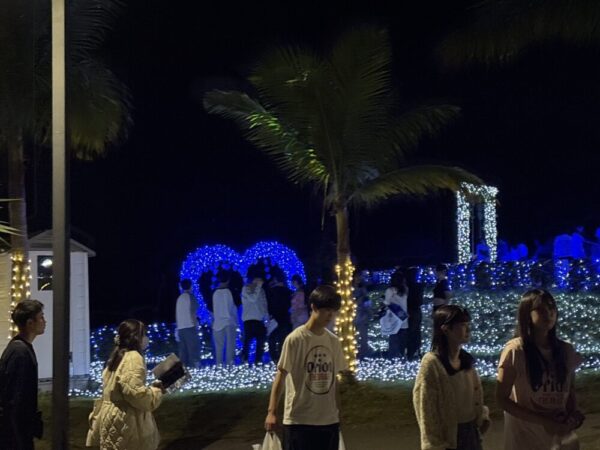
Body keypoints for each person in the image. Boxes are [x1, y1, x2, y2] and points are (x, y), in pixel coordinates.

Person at [496, 289, 584, 450]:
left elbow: (569, 391)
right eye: (541, 309)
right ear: (526, 314)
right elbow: (502, 399)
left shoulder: (566, 350)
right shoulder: (515, 351)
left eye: (551, 308)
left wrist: (573, 415)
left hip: (559, 441)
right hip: (525, 440)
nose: (549, 313)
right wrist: (544, 421)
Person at [264, 285, 347, 450]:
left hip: (328, 420)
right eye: (326, 310)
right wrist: (271, 412)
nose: (330, 315)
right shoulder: (295, 339)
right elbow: (281, 375)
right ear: (314, 307)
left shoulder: (333, 341)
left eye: (333, 311)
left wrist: (337, 411)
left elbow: (334, 381)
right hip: (299, 420)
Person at [413, 305, 490, 450]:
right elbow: (426, 408)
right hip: (449, 436)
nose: (468, 329)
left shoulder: (466, 360)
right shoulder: (432, 363)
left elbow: (474, 397)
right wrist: (434, 443)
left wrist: (482, 417)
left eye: (468, 324)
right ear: (446, 329)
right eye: (462, 325)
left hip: (471, 432)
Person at [90, 319, 163, 450]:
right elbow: (136, 394)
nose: (146, 338)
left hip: (112, 419)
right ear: (136, 337)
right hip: (127, 423)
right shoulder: (133, 358)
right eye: (144, 334)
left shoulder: (116, 356)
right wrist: (156, 391)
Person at [0, 300, 46, 450]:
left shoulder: (20, 348)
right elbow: (15, 400)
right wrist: (20, 440)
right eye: (41, 317)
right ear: (30, 323)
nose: (44, 321)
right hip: (14, 435)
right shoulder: (20, 353)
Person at [212, 270, 239, 365]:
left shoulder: (214, 293)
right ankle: (229, 366)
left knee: (219, 347)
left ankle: (219, 366)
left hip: (218, 323)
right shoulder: (229, 292)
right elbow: (233, 307)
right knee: (230, 346)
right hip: (229, 321)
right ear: (228, 280)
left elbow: (213, 308)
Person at [266, 269, 292, 363]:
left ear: (275, 280)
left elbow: (269, 305)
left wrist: (270, 314)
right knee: (283, 339)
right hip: (285, 317)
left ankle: (275, 357)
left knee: (272, 338)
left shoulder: (272, 291)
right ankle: (282, 358)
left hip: (275, 318)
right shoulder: (288, 291)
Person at [241, 275, 268, 364]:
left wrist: (266, 316)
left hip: (259, 319)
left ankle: (258, 360)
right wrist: (258, 287)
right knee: (247, 340)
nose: (259, 282)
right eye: (258, 279)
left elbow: (264, 304)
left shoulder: (261, 290)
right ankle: (244, 359)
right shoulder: (246, 288)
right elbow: (252, 299)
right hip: (249, 319)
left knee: (261, 340)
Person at [175, 279, 200, 368]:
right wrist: (196, 324)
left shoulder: (179, 298)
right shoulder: (191, 297)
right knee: (193, 349)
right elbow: (193, 312)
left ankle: (183, 370)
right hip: (190, 326)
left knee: (183, 352)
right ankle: (195, 368)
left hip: (181, 328)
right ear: (191, 286)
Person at [384, 271, 409, 358]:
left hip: (394, 318)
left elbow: (387, 303)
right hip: (403, 317)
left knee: (394, 339)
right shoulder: (405, 289)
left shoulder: (390, 290)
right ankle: (402, 356)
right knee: (402, 339)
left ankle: (393, 357)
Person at [406, 267, 424, 360]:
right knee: (416, 331)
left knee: (410, 332)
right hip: (416, 310)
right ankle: (416, 351)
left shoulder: (406, 286)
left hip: (409, 310)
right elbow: (420, 300)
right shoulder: (418, 286)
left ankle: (411, 352)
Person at [353, 273, 371, 358]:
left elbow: (367, 301)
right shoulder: (350, 289)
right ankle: (355, 353)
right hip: (353, 316)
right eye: (357, 278)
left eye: (359, 278)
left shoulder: (363, 289)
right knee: (354, 336)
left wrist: (369, 311)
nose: (358, 279)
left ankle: (364, 353)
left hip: (362, 315)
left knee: (364, 336)